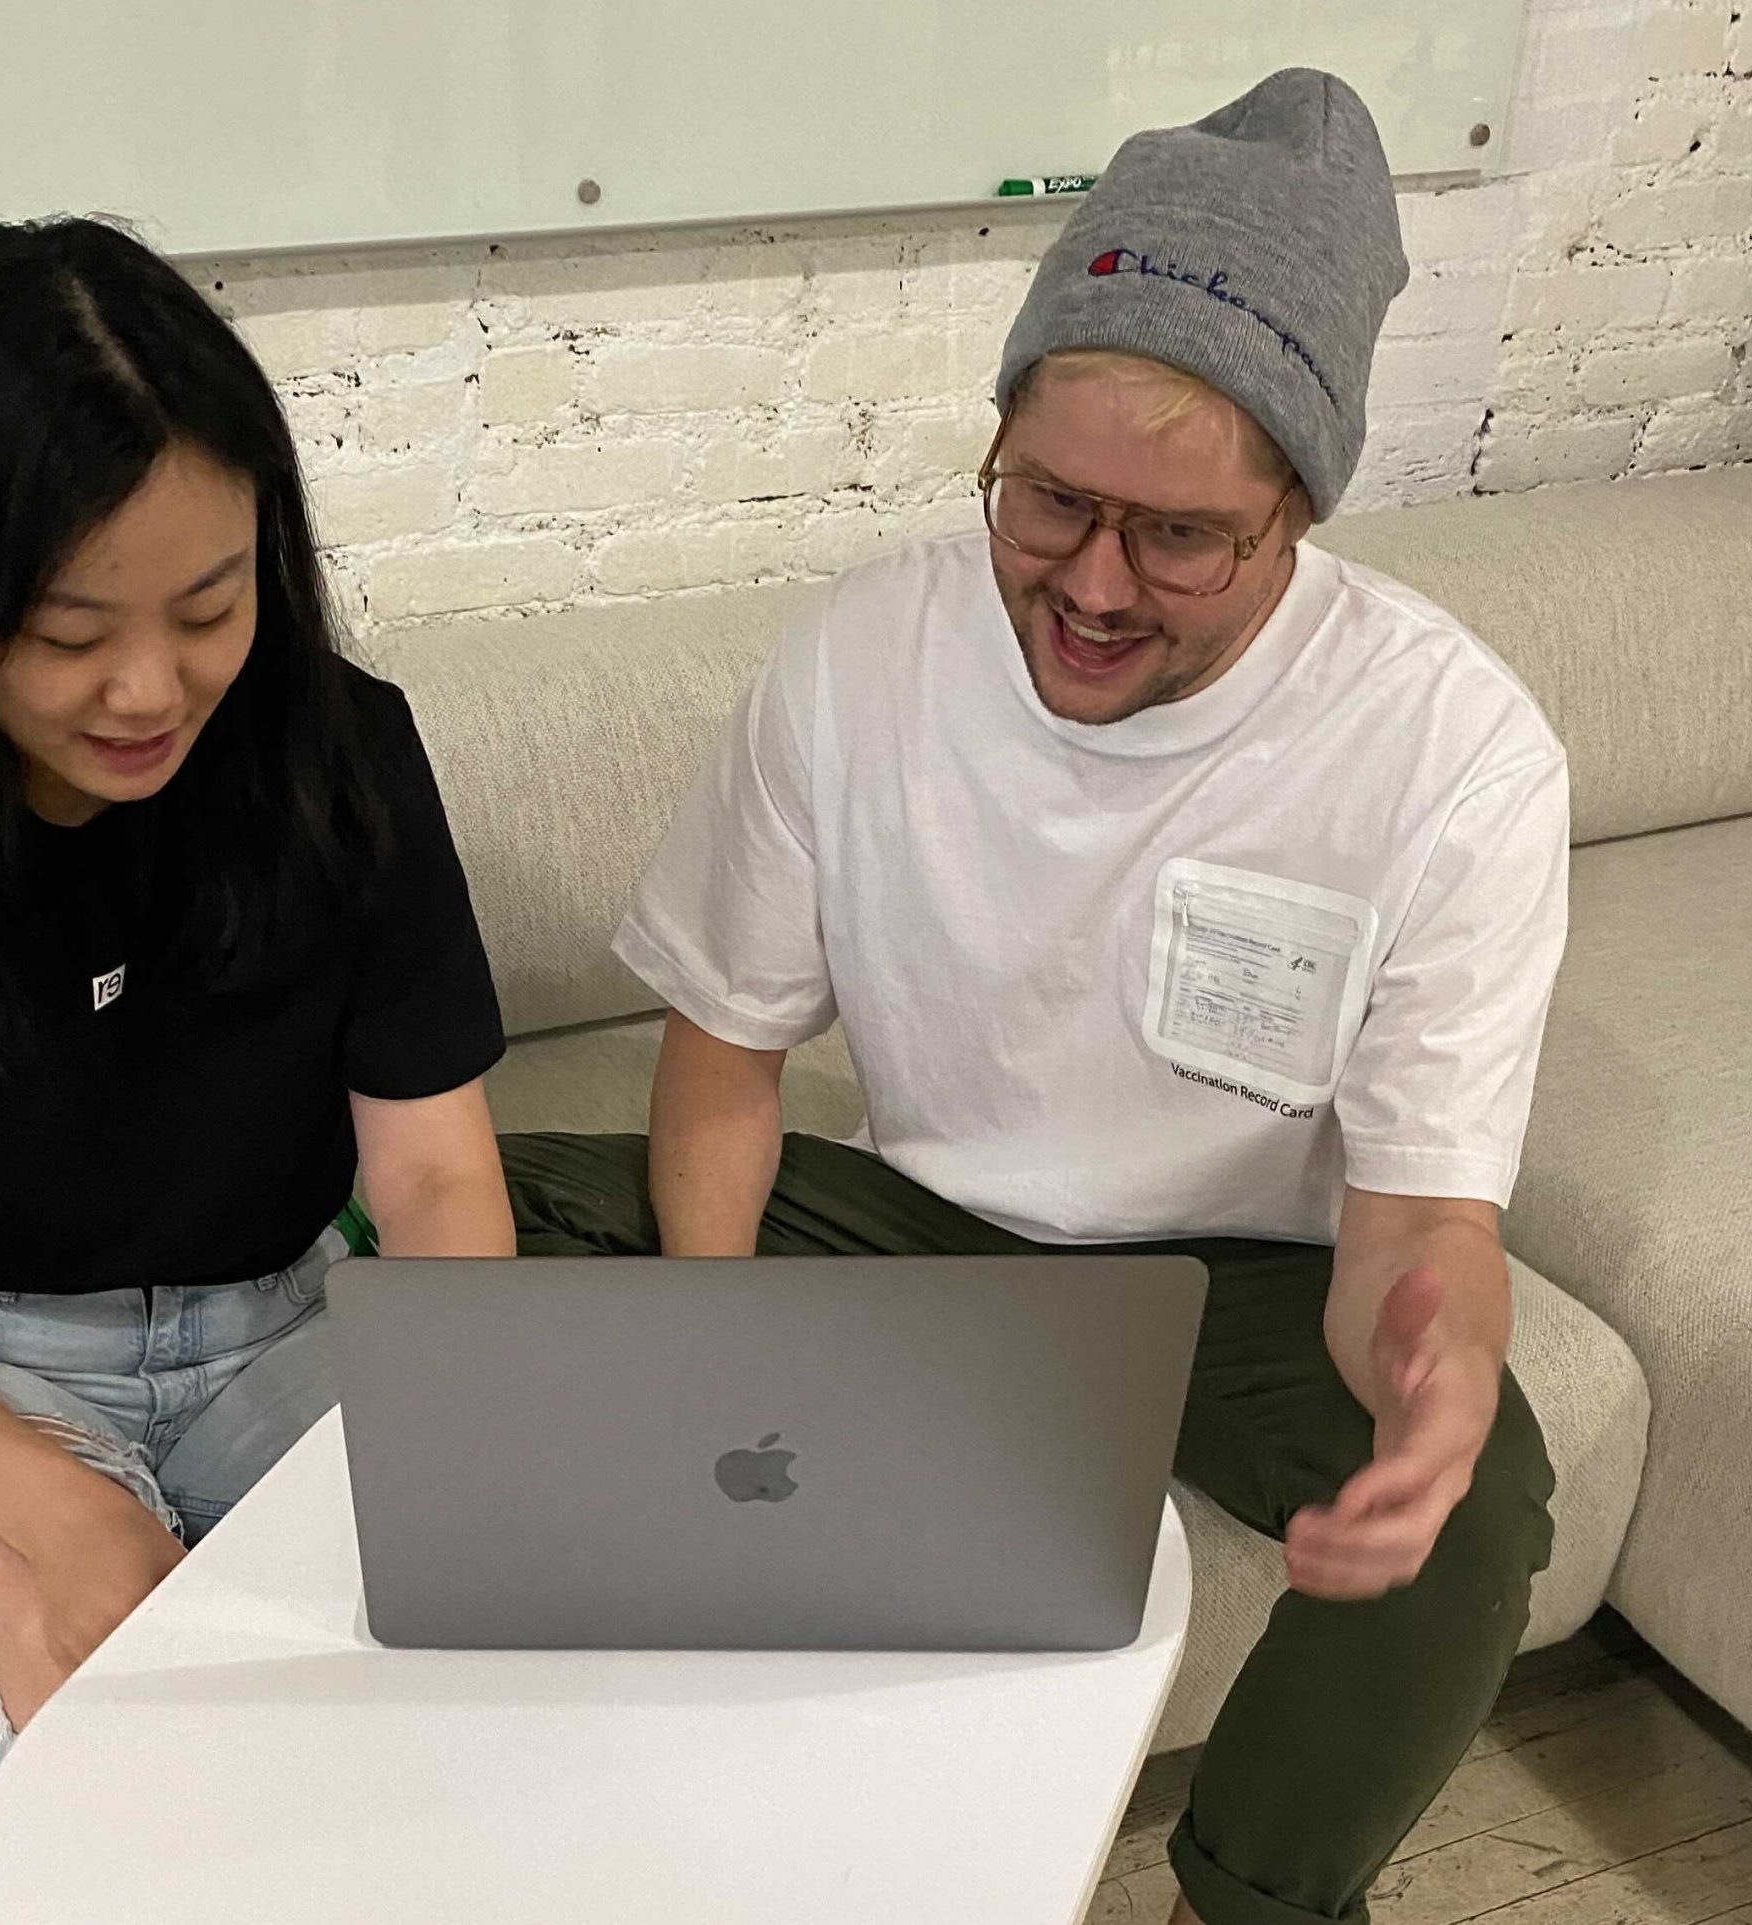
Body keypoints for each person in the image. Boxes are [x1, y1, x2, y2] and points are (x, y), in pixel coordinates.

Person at [503, 70, 1567, 1925]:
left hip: (1231, 1280)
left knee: (1471, 1513)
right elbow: (728, 1059)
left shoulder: (1450, 747)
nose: (1086, 584)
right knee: (466, 1192)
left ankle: (1246, 1904)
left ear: (1298, 513)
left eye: (1175, 539)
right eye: (1048, 502)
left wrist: (1435, 1383)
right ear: (999, 437)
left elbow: (1418, 1220)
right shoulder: (862, 653)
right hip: (922, 1232)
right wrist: (704, 1345)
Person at [0, 217, 515, 1796]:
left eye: (208, 610)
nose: (151, 691)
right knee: (115, 1757)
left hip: (289, 1314)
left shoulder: (339, 754)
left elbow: (435, 1176)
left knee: (487, 1685)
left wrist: (453, 1446)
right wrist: (61, 1513)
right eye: (71, 636)